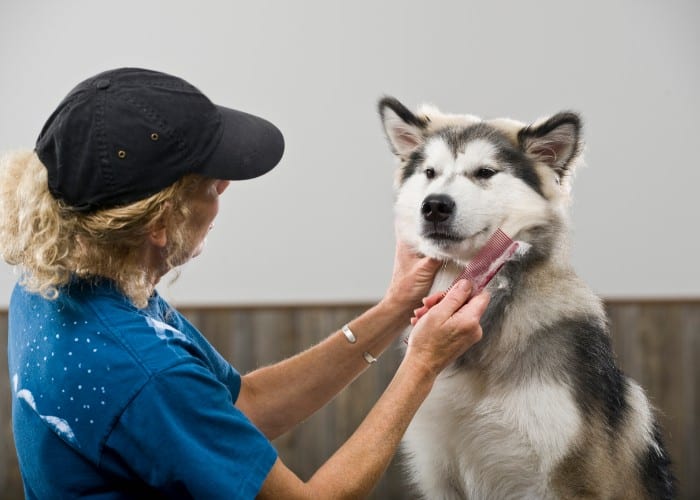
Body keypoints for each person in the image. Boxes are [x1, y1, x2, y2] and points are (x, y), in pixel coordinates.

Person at [0, 67, 490, 499]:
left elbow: (242, 407)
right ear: (159, 222)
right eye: (211, 184)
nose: (226, 187)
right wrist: (421, 364)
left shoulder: (55, 285)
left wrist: (393, 310)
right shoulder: (146, 373)